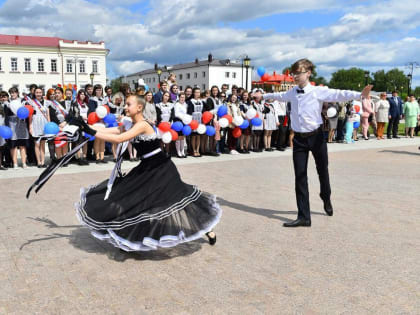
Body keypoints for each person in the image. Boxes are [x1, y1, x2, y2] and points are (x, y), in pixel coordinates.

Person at [53, 94, 221, 251]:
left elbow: (120, 139)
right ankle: (131, 233)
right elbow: (114, 132)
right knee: (134, 198)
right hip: (147, 167)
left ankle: (207, 227)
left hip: (161, 168)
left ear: (139, 107)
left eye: (128, 104)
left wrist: (91, 131)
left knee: (177, 198)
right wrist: (83, 126)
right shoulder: (130, 123)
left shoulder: (142, 125)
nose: (125, 107)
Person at [257, 58, 372, 227]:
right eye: (294, 73)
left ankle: (326, 197)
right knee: (300, 176)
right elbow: (278, 96)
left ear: (308, 73)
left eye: (299, 73)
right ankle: (304, 216)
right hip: (299, 140)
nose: (295, 76)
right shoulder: (291, 92)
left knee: (322, 170)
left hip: (316, 137)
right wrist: (263, 96)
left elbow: (339, 94)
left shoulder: (318, 91)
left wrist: (360, 95)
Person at [4, 87, 29, 169]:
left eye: (14, 92)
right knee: (13, 145)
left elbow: (28, 111)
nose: (12, 94)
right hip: (11, 124)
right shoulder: (7, 103)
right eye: (11, 93)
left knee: (22, 144)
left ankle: (24, 163)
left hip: (21, 123)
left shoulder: (23, 101)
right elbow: (5, 116)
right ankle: (15, 164)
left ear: (17, 93)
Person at [29, 87, 50, 168]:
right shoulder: (31, 102)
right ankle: (38, 162)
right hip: (35, 124)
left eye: (40, 92)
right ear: (35, 93)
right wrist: (30, 126)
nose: (38, 94)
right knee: (37, 144)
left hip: (44, 124)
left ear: (42, 93)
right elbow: (30, 115)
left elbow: (47, 115)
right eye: (37, 92)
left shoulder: (46, 102)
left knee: (43, 144)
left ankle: (43, 161)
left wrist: (49, 125)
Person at [67, 89, 89, 165]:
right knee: (78, 142)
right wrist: (81, 119)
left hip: (86, 125)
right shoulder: (75, 103)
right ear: (78, 95)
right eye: (81, 94)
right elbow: (74, 115)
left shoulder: (86, 103)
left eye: (84, 94)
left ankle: (84, 157)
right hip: (78, 125)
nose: (82, 95)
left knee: (85, 141)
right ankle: (79, 158)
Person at [88, 84, 107, 164]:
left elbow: (107, 110)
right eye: (97, 90)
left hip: (103, 122)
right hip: (96, 122)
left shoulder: (104, 100)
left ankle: (102, 157)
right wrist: (99, 117)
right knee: (97, 140)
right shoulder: (92, 100)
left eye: (100, 90)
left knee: (103, 140)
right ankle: (97, 157)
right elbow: (92, 111)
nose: (99, 91)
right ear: (95, 91)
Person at [187, 87, 204, 157]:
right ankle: (193, 150)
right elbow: (189, 112)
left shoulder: (201, 101)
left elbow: (204, 110)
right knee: (193, 136)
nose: (197, 94)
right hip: (193, 120)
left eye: (198, 92)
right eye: (196, 92)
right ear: (193, 93)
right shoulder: (190, 101)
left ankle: (197, 150)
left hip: (200, 119)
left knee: (198, 136)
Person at [174, 92, 188, 158]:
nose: (182, 98)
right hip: (178, 122)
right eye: (181, 97)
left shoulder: (185, 104)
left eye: (184, 97)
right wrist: (183, 118)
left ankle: (182, 151)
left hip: (184, 122)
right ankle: (178, 152)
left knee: (182, 137)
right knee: (178, 137)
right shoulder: (177, 104)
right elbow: (176, 114)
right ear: (179, 98)